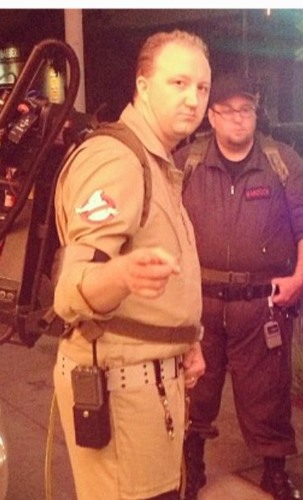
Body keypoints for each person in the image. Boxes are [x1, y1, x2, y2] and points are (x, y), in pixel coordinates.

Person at [52, 29, 210, 500]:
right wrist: (120, 274)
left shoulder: (155, 162)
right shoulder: (117, 160)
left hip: (151, 391)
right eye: (178, 83)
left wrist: (187, 339)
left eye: (202, 87)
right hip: (122, 395)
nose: (193, 100)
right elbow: (71, 289)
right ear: (142, 86)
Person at [174, 72, 303, 500]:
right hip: (200, 304)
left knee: (268, 394)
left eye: (246, 109)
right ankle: (190, 463)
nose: (239, 118)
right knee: (194, 389)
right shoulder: (187, 162)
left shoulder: (282, 162)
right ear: (211, 116)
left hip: (261, 306)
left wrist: (300, 280)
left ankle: (274, 471)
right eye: (228, 111)